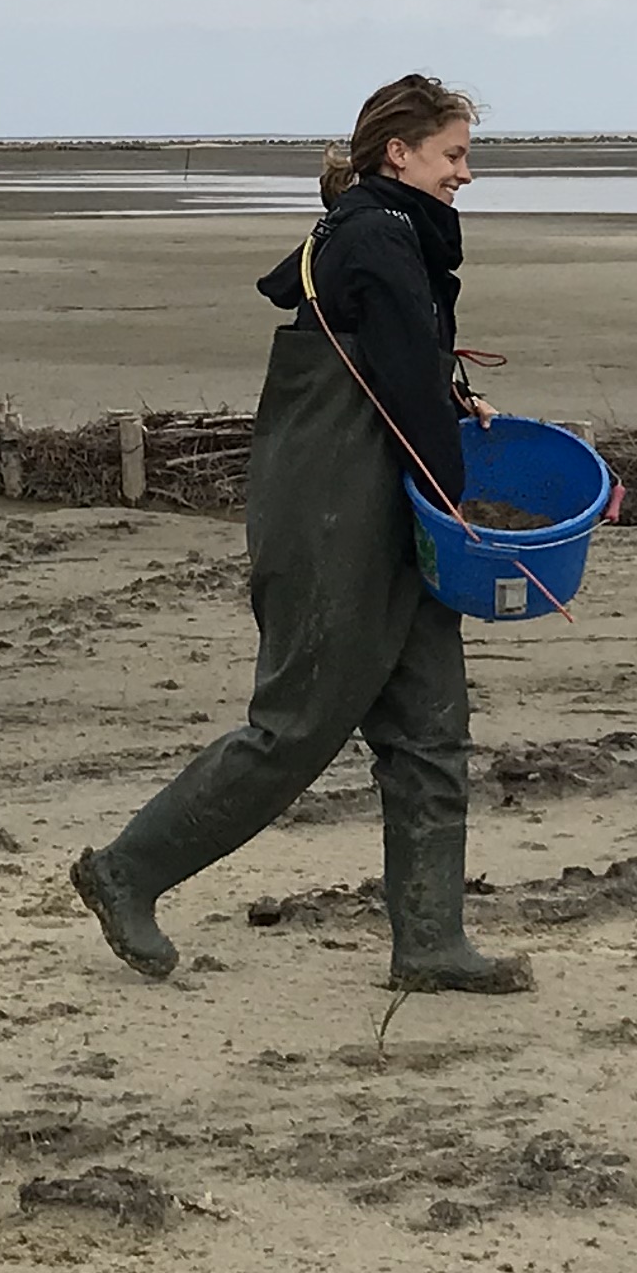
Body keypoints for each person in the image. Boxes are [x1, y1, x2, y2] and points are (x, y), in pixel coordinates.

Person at [71, 74, 532, 994]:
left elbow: (404, 368)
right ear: (398, 154)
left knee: (431, 731)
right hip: (335, 519)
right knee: (293, 728)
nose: (465, 175)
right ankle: (125, 871)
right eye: (454, 155)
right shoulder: (374, 237)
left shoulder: (388, 237)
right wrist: (463, 514)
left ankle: (431, 942)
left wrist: (450, 394)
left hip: (383, 515)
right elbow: (398, 391)